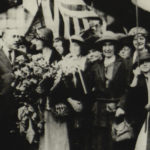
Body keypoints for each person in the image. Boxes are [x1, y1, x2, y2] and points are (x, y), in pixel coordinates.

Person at [87, 31, 128, 150]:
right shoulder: (95, 65)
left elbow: (127, 88)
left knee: (116, 144)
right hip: (98, 111)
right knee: (99, 144)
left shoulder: (123, 64)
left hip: (116, 111)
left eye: (110, 45)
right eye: (104, 45)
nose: (107, 48)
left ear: (115, 47)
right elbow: (88, 88)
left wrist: (121, 106)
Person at [126, 52, 150, 150]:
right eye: (142, 62)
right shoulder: (138, 79)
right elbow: (130, 97)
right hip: (141, 118)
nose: (144, 64)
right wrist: (135, 76)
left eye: (148, 62)